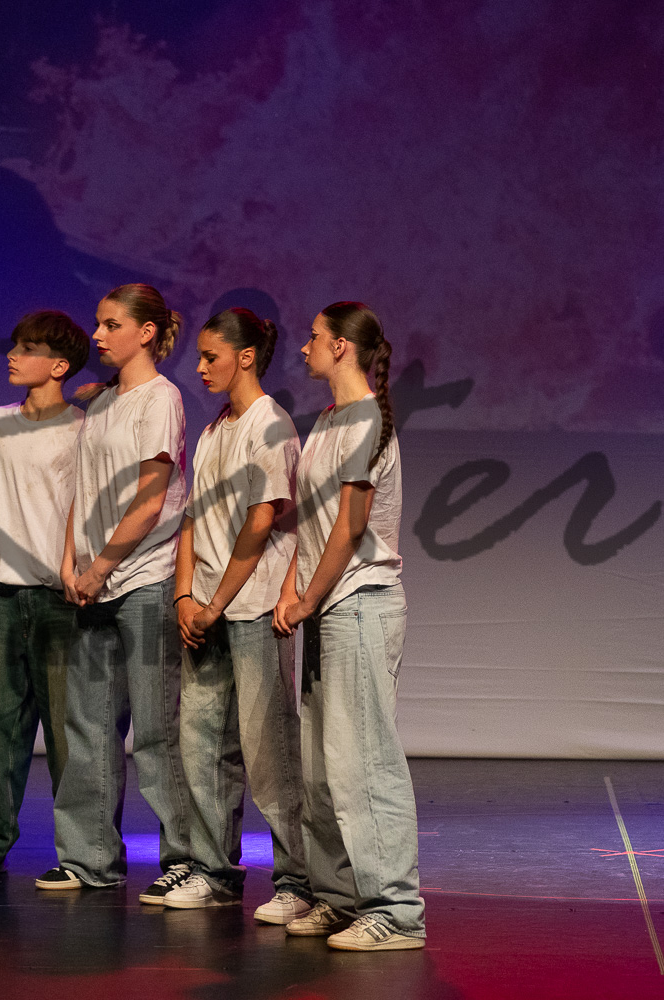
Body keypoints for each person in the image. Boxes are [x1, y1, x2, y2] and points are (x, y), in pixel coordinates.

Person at [272, 301, 425, 950]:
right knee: (320, 767)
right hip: (327, 604)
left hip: (359, 602)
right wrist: (292, 586)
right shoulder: (329, 420)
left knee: (364, 762)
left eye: (314, 338)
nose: (305, 347)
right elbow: (311, 520)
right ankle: (338, 897)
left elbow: (351, 526)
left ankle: (396, 910)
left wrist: (309, 597)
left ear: (341, 346)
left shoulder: (366, 419)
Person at [38, 283, 194, 899]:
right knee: (89, 725)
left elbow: (151, 500)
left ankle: (185, 858)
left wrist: (101, 565)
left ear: (146, 332)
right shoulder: (101, 402)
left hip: (144, 578)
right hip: (93, 582)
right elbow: (84, 491)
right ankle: (89, 858)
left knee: (156, 729)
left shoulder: (161, 399)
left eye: (110, 325)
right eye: (97, 324)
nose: (96, 335)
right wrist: (72, 563)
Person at [163, 308, 313, 922]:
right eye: (199, 357)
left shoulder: (269, 425)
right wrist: (184, 596)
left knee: (268, 748)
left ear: (245, 357)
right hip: (204, 609)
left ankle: (297, 880)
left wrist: (216, 603)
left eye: (211, 357)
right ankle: (213, 870)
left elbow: (262, 521)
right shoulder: (213, 430)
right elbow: (192, 518)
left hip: (250, 608)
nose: (200, 368)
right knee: (200, 744)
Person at [0, 311, 89, 879]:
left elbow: (83, 508)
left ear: (58, 366)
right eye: (15, 345)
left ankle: (79, 851)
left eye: (28, 348)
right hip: (4, 592)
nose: (13, 355)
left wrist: (74, 573)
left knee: (67, 731)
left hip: (59, 597)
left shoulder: (82, 428)